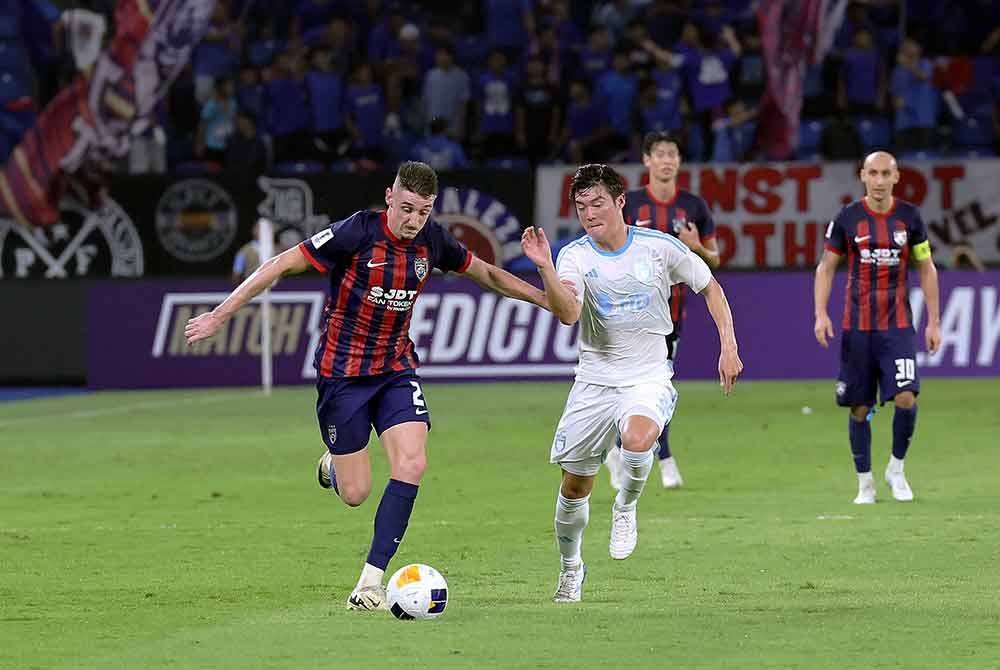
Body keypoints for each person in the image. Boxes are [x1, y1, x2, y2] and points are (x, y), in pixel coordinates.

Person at [186, 161, 550, 610]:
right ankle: (335, 464)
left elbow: (489, 274)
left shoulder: (432, 240)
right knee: (356, 493)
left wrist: (544, 298)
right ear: (390, 197)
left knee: (413, 463)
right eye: (408, 208)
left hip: (396, 370)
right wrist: (220, 314)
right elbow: (282, 263)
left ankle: (370, 582)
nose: (414, 220)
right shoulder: (356, 232)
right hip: (343, 377)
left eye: (424, 210)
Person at [520, 164, 742, 603]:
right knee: (574, 487)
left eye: (598, 203)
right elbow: (567, 313)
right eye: (581, 206)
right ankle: (571, 568)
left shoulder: (659, 248)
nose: (589, 213)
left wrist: (728, 346)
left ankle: (626, 505)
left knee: (639, 439)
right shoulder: (574, 257)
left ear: (621, 202)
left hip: (647, 375)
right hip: (595, 380)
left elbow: (710, 287)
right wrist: (545, 267)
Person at [813, 151, 941, 504]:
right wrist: (820, 313)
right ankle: (865, 482)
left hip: (897, 327)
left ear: (897, 177)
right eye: (874, 173)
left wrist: (934, 320)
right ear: (863, 176)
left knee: (905, 396)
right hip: (857, 328)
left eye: (887, 173)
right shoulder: (848, 218)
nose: (880, 180)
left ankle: (896, 469)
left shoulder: (910, 218)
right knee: (858, 407)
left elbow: (926, 267)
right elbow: (826, 267)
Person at [606, 131, 720, 491]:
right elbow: (607, 247)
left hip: (670, 316)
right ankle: (661, 458)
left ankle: (632, 452)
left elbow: (714, 259)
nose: (667, 160)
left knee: (659, 386)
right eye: (660, 154)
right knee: (624, 384)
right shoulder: (630, 204)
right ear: (647, 160)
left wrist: (696, 245)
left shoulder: (694, 207)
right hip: (625, 313)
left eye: (673, 154)